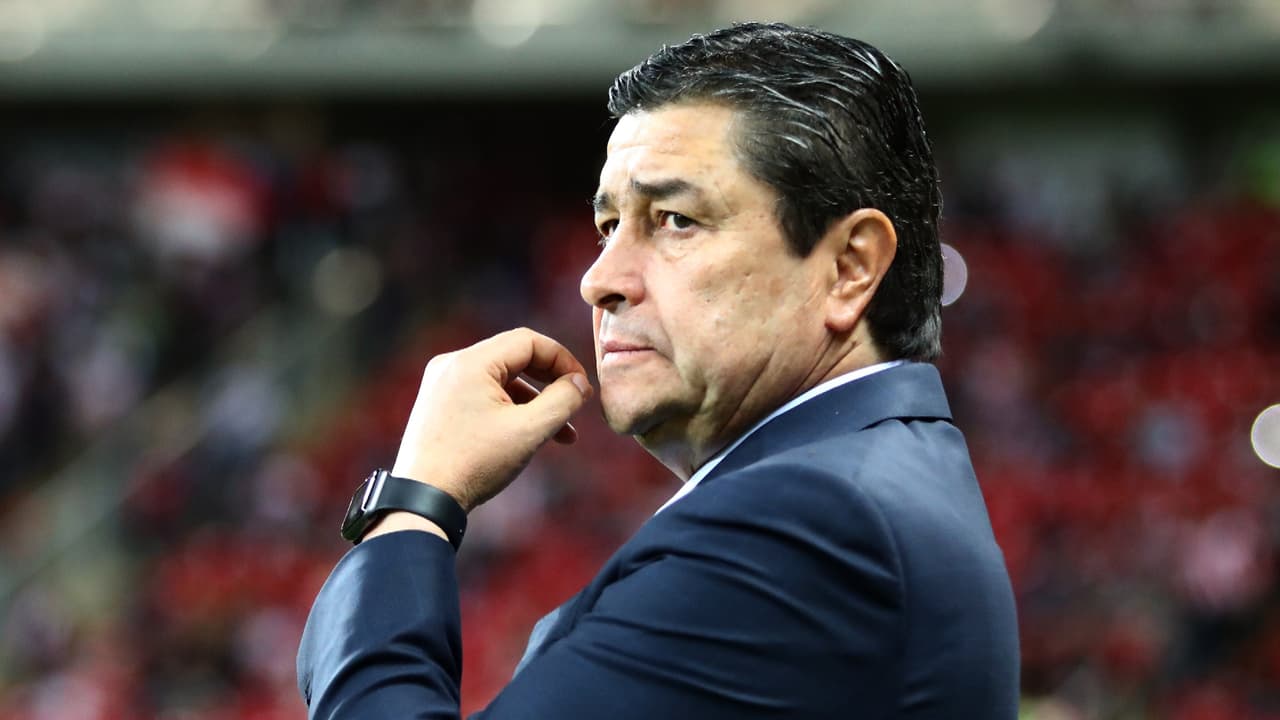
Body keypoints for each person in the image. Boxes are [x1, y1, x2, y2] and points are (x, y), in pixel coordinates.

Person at [297, 22, 1019, 719]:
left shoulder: (806, 522)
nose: (597, 280)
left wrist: (414, 504)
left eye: (675, 219)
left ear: (849, 267)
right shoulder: (869, 481)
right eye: (609, 226)